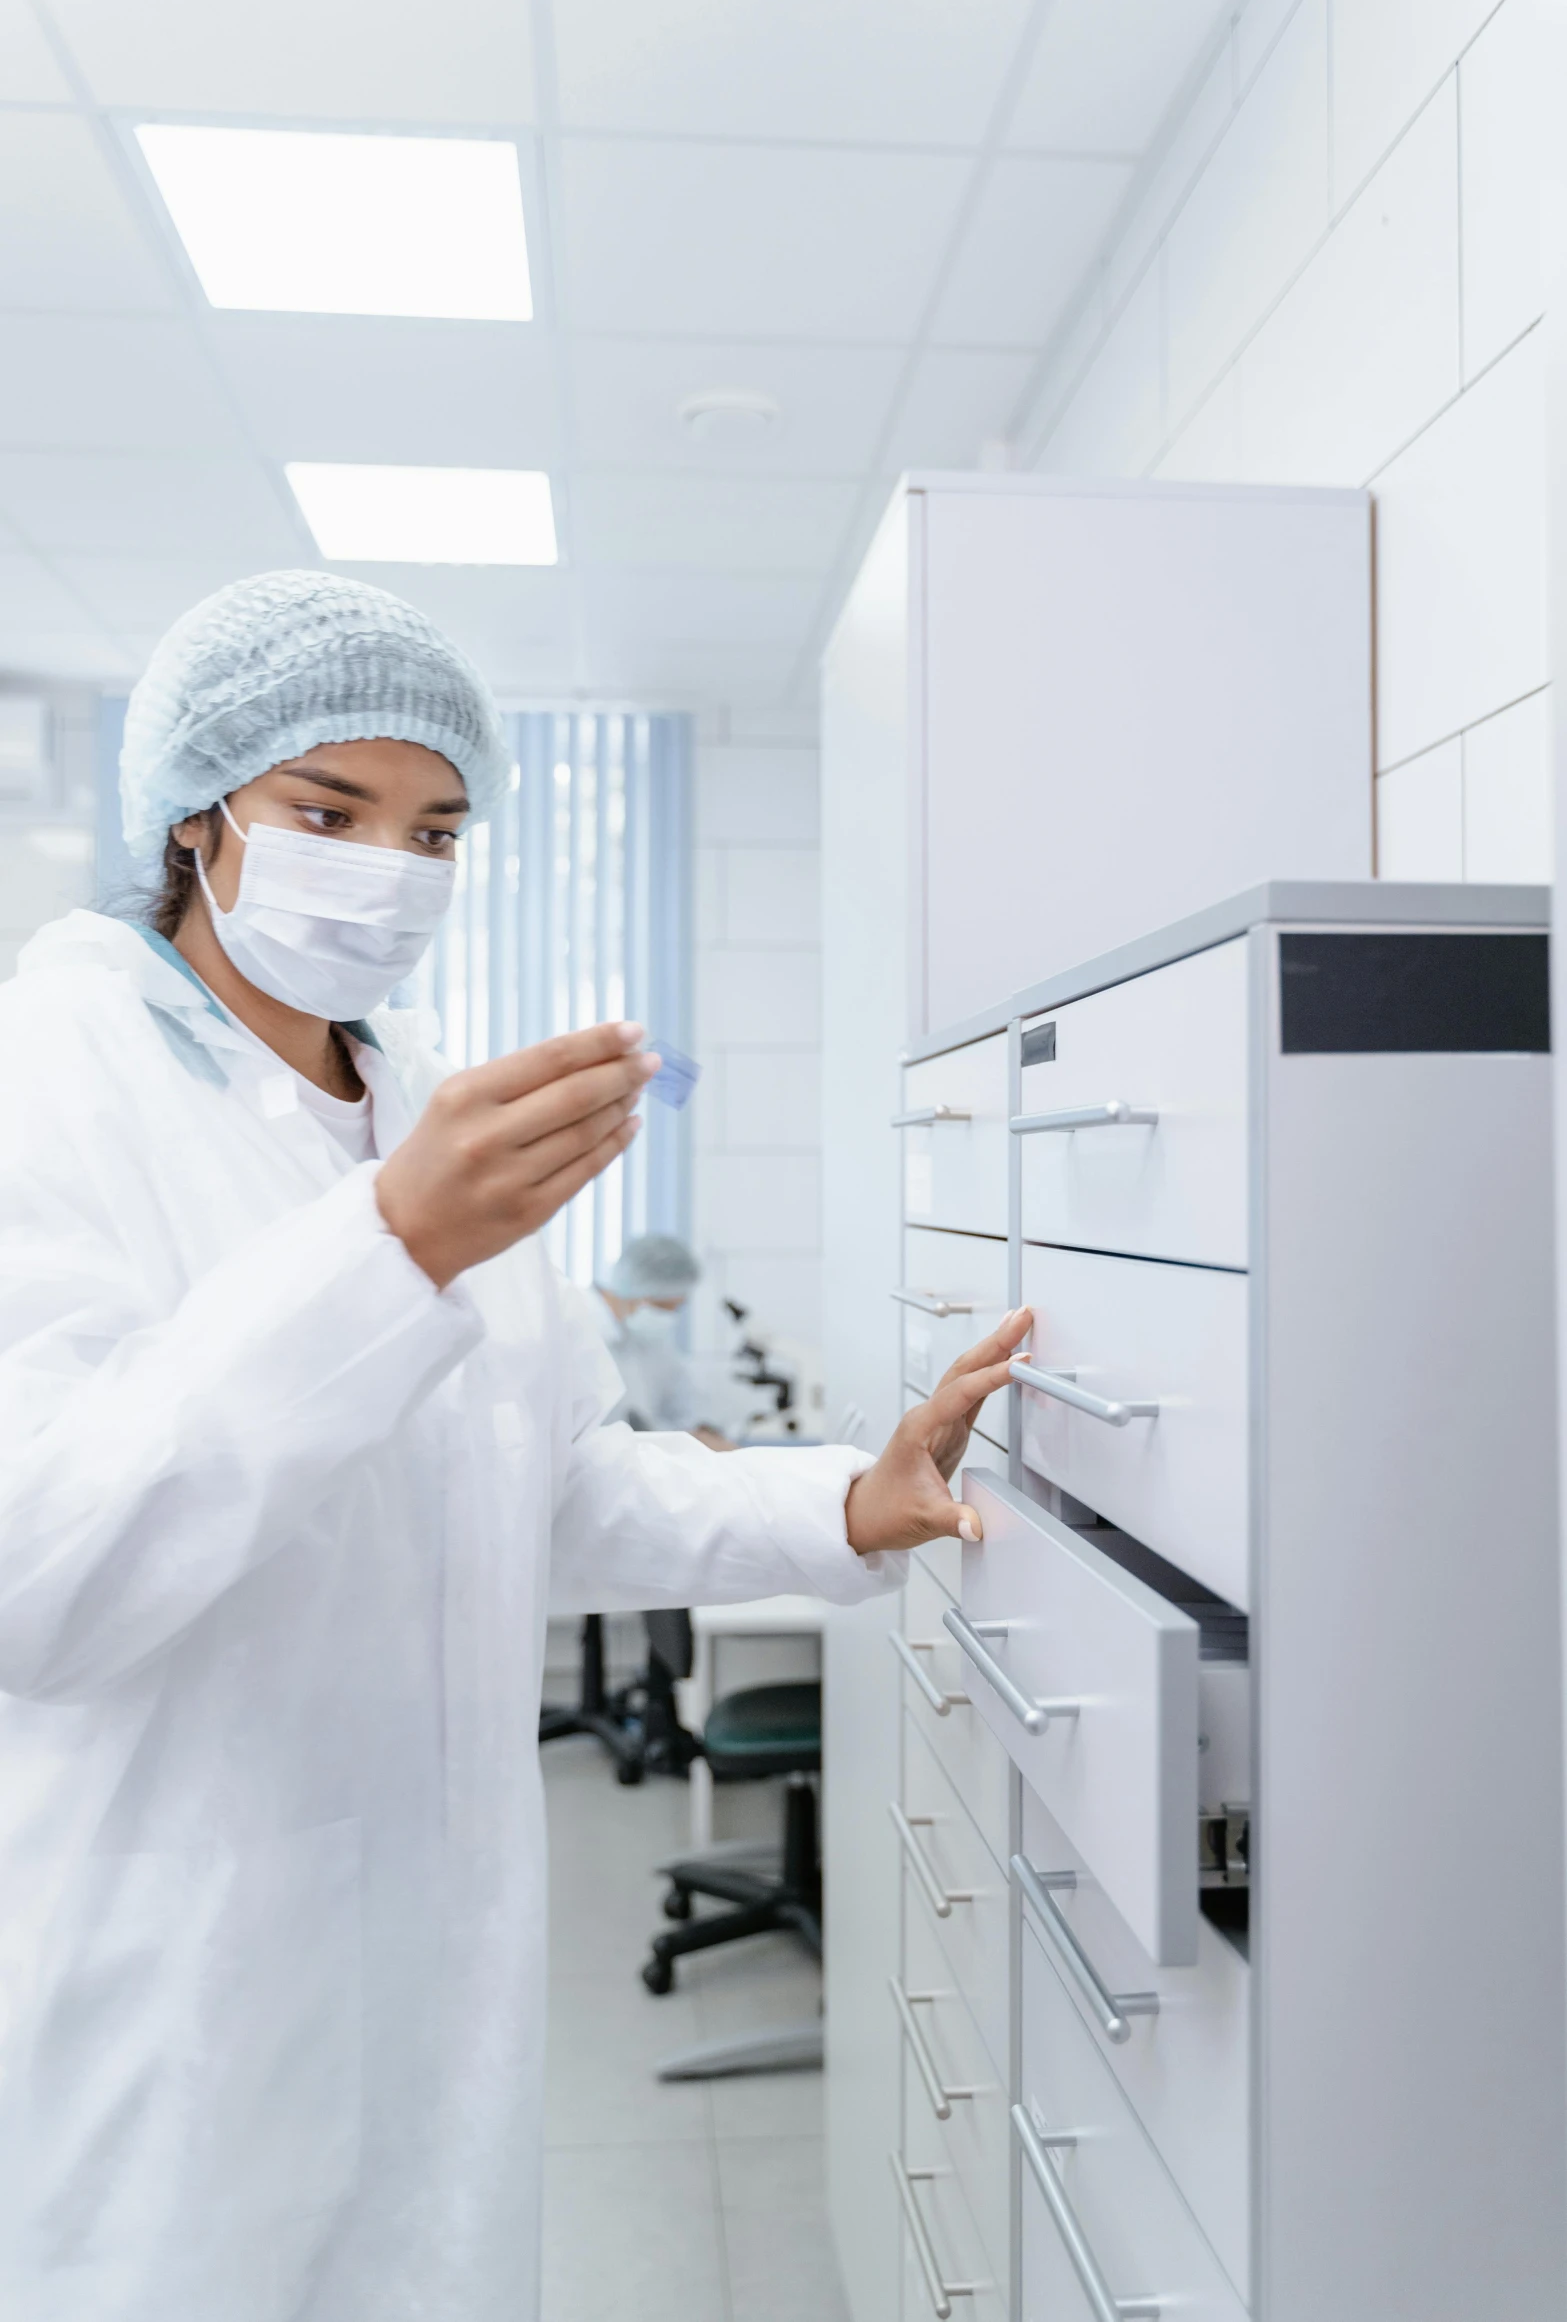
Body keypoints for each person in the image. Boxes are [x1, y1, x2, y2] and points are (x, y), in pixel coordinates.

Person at [0, 570, 1030, 2322]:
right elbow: (47, 1584)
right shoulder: (56, 1077)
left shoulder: (416, 1106)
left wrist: (852, 1501)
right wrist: (388, 1249)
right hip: (168, 1993)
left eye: (438, 831)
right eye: (329, 812)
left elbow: (556, 1486)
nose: (388, 868)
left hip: (432, 1969)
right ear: (197, 814)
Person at [589, 1232, 730, 1442]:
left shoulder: (650, 1339)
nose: (668, 1317)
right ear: (637, 1291)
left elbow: (686, 1401)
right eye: (663, 1307)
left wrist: (705, 1431)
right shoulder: (581, 1329)